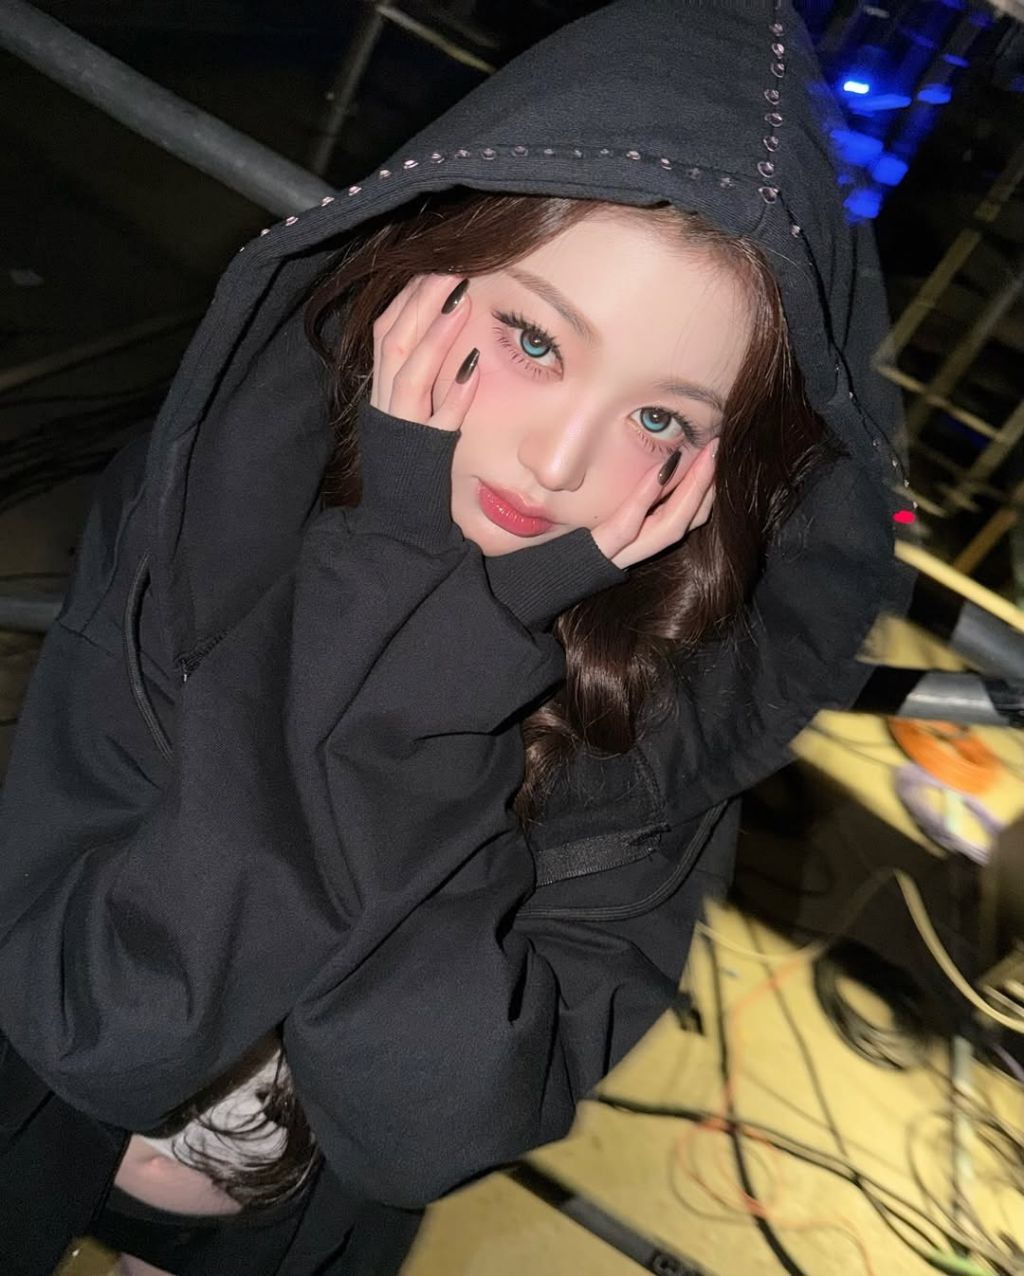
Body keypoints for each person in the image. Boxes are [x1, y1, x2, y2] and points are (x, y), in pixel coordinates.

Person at [0, 1, 917, 1272]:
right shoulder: (205, 524)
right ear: (417, 286)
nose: (558, 462)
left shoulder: (670, 722)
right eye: (534, 340)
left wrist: (436, 679)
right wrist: (383, 581)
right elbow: (109, 1022)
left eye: (661, 418)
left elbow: (415, 1125)